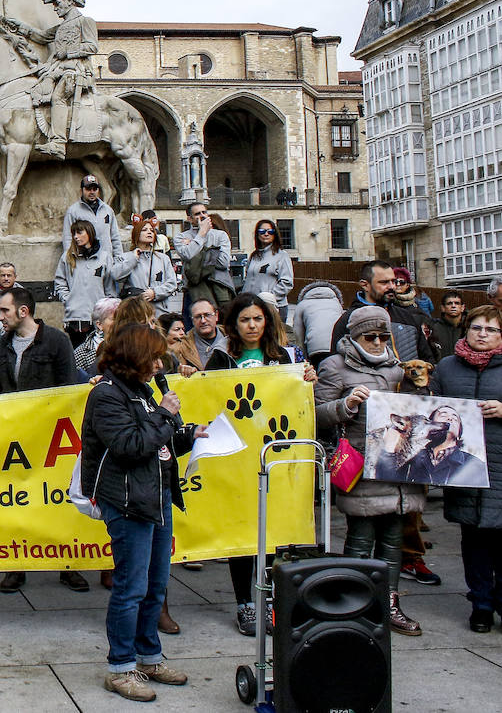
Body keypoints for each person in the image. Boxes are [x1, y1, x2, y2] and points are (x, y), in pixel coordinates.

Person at [79, 323, 205, 702]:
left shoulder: (143, 392)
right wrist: (165, 415)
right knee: (130, 587)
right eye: (153, 357)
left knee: (155, 583)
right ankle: (120, 668)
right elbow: (130, 445)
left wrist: (188, 434)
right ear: (134, 357)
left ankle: (149, 657)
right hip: (128, 501)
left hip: (157, 496)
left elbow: (157, 443)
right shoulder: (106, 394)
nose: (160, 364)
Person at [206, 291, 318, 635]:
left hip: (275, 454)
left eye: (257, 318)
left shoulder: (286, 356)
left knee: (271, 532)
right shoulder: (221, 358)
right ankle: (245, 603)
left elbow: (303, 400)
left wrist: (309, 380)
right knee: (242, 531)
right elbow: (205, 398)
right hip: (237, 455)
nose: (252, 325)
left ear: (267, 322)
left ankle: (267, 599)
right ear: (233, 325)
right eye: (245, 320)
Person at [315, 305, 424, 636]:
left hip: (398, 466)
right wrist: (347, 405)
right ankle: (353, 603)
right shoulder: (335, 366)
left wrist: (420, 392)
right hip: (361, 466)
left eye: (382, 336)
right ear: (354, 337)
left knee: (393, 539)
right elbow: (315, 413)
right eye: (370, 336)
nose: (377, 342)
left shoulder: (398, 368)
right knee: (360, 537)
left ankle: (388, 604)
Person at [0, 286, 79, 593]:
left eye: (4, 310)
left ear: (23, 311)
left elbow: (68, 389)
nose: (0, 316)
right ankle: (17, 565)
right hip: (14, 438)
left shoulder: (57, 342)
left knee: (58, 500)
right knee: (16, 501)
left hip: (51, 438)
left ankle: (69, 563)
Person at [436, 305, 502, 633]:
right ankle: (481, 605)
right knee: (473, 541)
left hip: (500, 467)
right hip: (463, 467)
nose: (482, 334)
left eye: (491, 329)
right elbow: (430, 405)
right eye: (476, 327)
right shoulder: (447, 367)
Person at [330, 261, 434, 363]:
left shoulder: (406, 317)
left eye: (393, 281)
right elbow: (338, 364)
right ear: (365, 285)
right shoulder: (349, 320)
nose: (392, 286)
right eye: (384, 282)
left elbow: (426, 359)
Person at [56, 220, 110, 347]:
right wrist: (68, 299)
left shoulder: (104, 257)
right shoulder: (67, 257)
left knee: (100, 353)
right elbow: (60, 282)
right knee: (78, 353)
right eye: (74, 234)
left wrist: (106, 308)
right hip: (76, 316)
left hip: (98, 316)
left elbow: (110, 286)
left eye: (79, 232)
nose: (76, 237)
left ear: (89, 233)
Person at [111, 217, 178, 319]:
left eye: (152, 230)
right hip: (135, 312)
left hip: (159, 312)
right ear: (136, 234)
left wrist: (155, 293)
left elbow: (172, 283)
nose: (149, 232)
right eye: (144, 230)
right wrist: (133, 259)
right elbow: (116, 275)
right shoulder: (126, 257)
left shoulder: (163, 259)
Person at [175, 201, 235, 312]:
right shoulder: (180, 237)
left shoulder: (220, 235)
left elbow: (223, 262)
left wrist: (195, 247)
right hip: (193, 289)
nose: (202, 215)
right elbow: (187, 255)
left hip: (219, 287)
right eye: (197, 214)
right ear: (189, 219)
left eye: (204, 212)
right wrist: (202, 234)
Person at [62, 175, 124, 270]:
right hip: (84, 263)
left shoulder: (107, 210)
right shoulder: (73, 211)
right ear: (81, 190)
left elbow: (115, 236)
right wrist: (70, 260)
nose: (92, 192)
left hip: (106, 263)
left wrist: (118, 258)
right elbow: (68, 238)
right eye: (88, 189)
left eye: (95, 189)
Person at [242, 219, 294, 319]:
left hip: (274, 308)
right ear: (257, 234)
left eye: (270, 231)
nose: (266, 234)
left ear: (275, 234)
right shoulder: (254, 256)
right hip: (252, 307)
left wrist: (268, 299)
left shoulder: (282, 255)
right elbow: (247, 280)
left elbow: (287, 283)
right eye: (262, 231)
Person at [291, 281, 344, 369]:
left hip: (315, 348)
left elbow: (298, 335)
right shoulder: (337, 304)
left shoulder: (302, 305)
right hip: (335, 346)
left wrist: (303, 358)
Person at [74, 297, 121, 379]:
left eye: (121, 318)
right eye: (114, 319)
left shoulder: (131, 346)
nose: (119, 322)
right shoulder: (81, 353)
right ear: (99, 324)